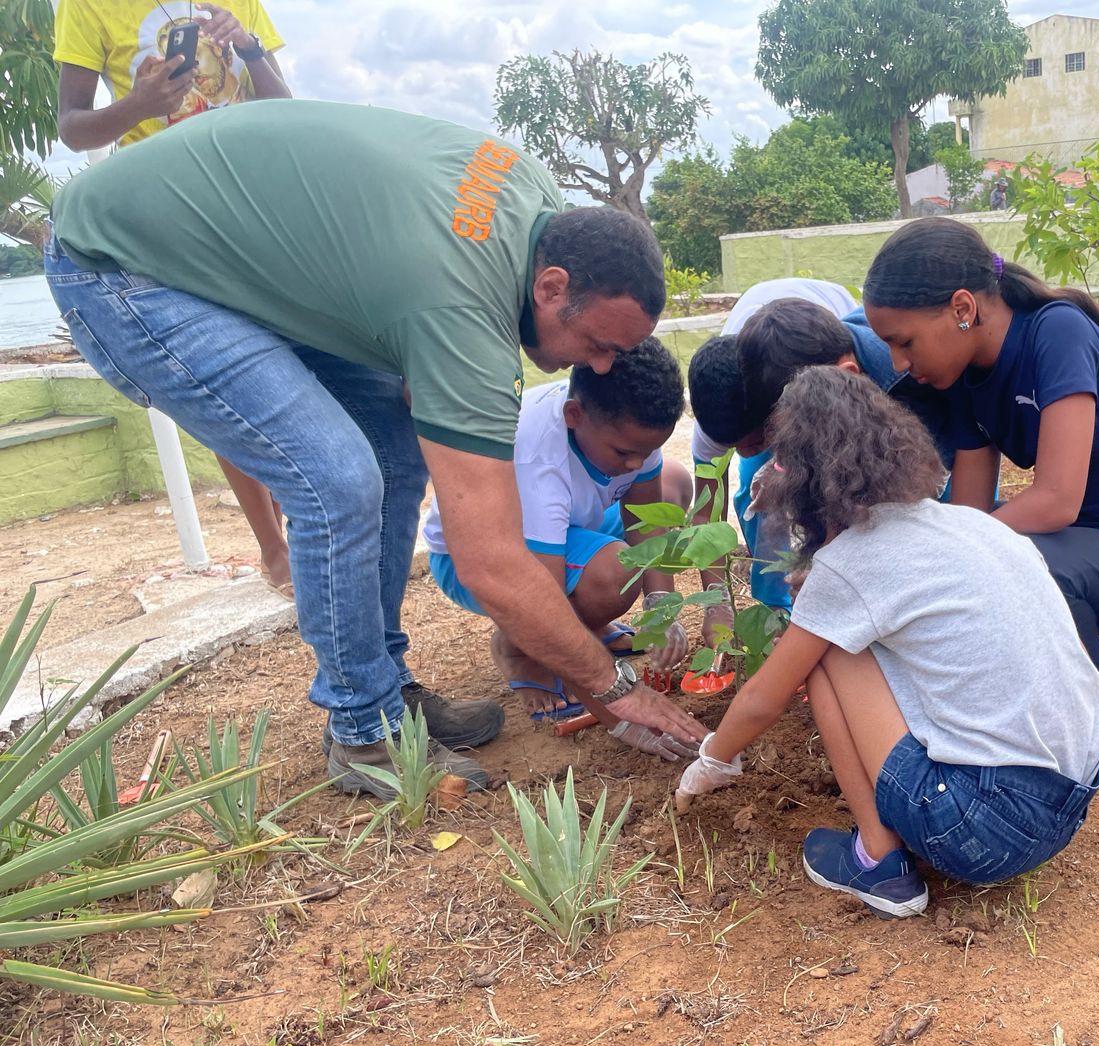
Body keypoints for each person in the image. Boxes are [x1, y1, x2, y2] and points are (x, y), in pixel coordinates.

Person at [45, 100, 707, 796]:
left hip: (234, 252)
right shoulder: (459, 305)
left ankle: (384, 687)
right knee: (336, 480)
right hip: (127, 264)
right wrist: (616, 685)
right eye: (598, 345)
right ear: (551, 286)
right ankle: (364, 731)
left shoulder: (539, 211)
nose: (600, 369)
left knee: (393, 448)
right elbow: (489, 560)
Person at [674, 368, 1099, 918]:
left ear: (801, 479)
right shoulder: (975, 526)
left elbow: (764, 697)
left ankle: (877, 859)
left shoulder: (853, 564)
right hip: (1071, 799)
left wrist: (711, 761)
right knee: (850, 630)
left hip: (982, 830)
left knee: (826, 647)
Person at [860, 217, 1099, 741]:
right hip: (1084, 548)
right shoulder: (965, 378)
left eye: (904, 342)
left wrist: (943, 552)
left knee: (1009, 557)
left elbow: (1057, 500)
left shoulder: (1056, 333)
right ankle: (1068, 653)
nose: (900, 362)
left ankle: (1090, 697)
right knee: (973, 555)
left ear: (963, 309)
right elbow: (969, 516)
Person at [55, 0, 297, 595]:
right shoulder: (86, 5)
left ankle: (307, 522)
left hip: (260, 200)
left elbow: (285, 109)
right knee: (227, 379)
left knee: (295, 364)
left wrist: (248, 46)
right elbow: (72, 126)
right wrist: (139, 106)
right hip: (172, 215)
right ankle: (273, 546)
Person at [422, 337, 695, 750]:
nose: (636, 464)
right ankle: (518, 651)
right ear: (574, 415)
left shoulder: (621, 427)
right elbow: (539, 597)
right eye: (624, 452)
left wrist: (661, 610)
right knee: (615, 574)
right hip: (475, 561)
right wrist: (619, 717)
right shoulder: (538, 463)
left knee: (672, 483)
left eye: (647, 449)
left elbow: (646, 522)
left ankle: (588, 626)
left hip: (563, 529)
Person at [685, 289, 958, 620]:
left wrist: (845, 571)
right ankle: (775, 604)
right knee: (766, 490)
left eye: (761, 443)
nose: (750, 452)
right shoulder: (726, 406)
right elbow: (706, 513)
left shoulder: (906, 376)